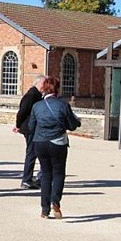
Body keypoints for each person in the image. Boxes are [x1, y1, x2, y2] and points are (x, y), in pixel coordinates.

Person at [28, 76, 81, 219]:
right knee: (58, 173)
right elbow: (72, 125)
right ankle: (55, 201)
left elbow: (31, 126)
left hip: (40, 142)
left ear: (44, 89)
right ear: (57, 89)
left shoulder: (37, 106)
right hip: (58, 142)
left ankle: (44, 210)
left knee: (45, 174)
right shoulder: (63, 105)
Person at [13, 76, 46, 189]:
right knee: (31, 153)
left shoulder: (37, 95)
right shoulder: (31, 96)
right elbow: (21, 112)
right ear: (37, 83)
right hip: (30, 128)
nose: (44, 86)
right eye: (43, 83)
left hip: (34, 128)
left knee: (35, 153)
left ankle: (33, 178)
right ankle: (26, 180)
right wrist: (17, 125)